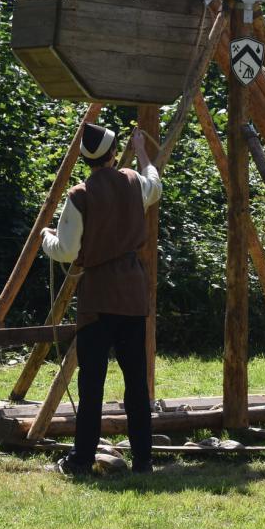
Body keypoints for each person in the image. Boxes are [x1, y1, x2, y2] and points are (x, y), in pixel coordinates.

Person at [41, 122, 162, 474]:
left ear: (86, 159)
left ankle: (81, 460)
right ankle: (143, 460)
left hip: (97, 298)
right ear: (112, 154)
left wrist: (44, 238)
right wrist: (141, 151)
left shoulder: (80, 195)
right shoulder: (132, 180)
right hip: (132, 295)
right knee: (136, 381)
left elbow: (65, 251)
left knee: (91, 383)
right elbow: (154, 185)